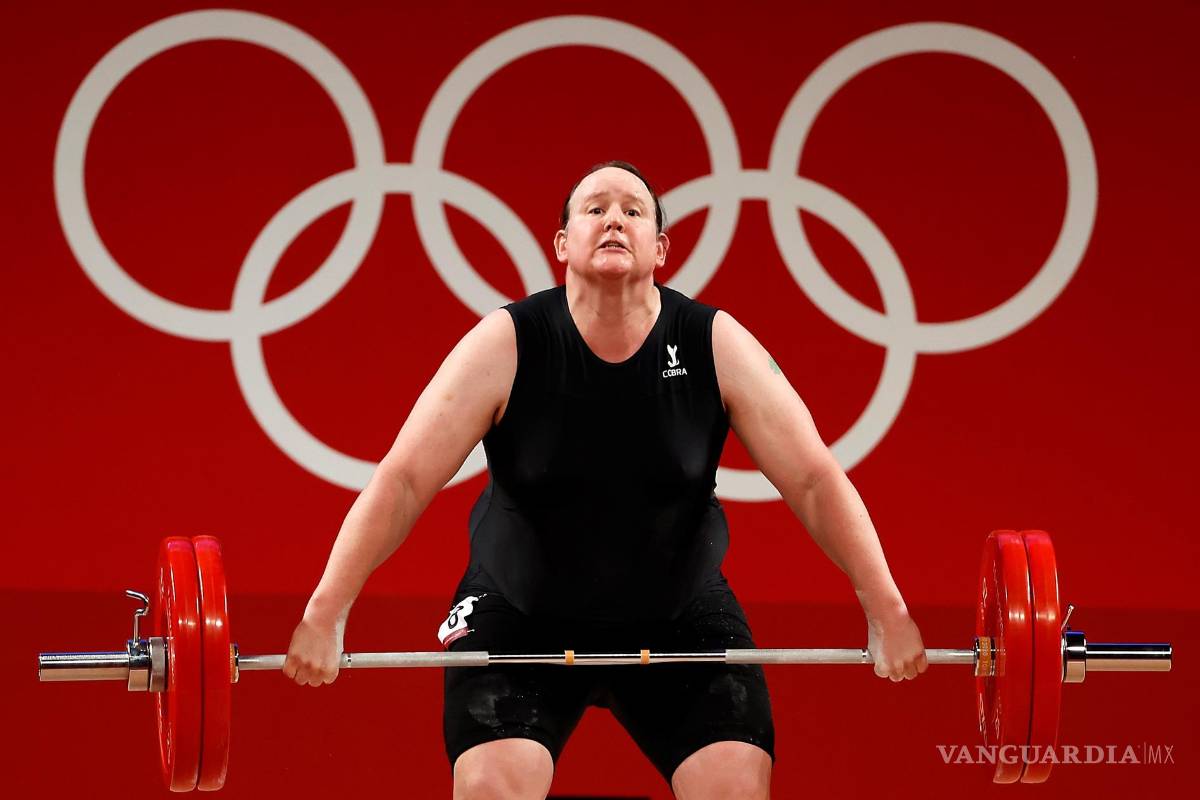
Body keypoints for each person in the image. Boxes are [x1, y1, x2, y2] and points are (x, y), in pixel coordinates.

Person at [283, 161, 928, 799]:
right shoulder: (507, 343)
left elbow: (814, 479)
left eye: (632, 210)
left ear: (660, 248)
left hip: (677, 617)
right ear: (563, 243)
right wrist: (326, 610)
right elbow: (401, 483)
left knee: (735, 787)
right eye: (594, 209)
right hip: (521, 616)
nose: (613, 219)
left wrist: (886, 607)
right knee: (491, 788)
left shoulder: (713, 343)